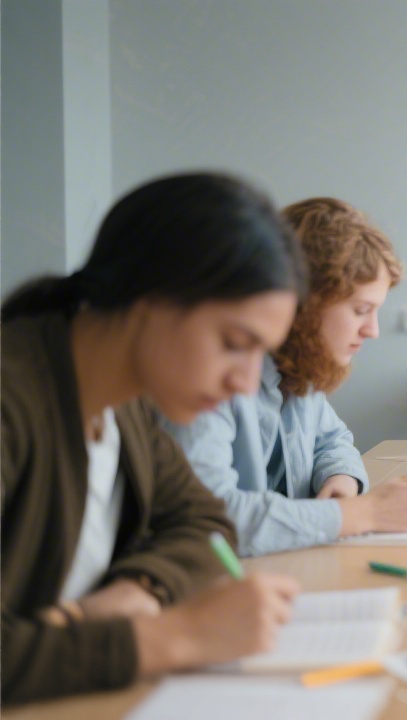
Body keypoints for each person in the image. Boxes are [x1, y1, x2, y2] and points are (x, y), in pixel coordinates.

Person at [1, 173, 304, 704]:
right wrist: (177, 635)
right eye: (235, 343)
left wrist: (135, 591)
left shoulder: (127, 407)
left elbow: (206, 523)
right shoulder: (14, 400)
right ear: (150, 299)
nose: (244, 383)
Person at [164, 198, 407, 557]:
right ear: (304, 303)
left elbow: (331, 439)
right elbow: (211, 519)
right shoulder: (213, 377)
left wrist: (339, 480)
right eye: (361, 310)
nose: (372, 330)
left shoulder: (303, 367)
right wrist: (361, 513)